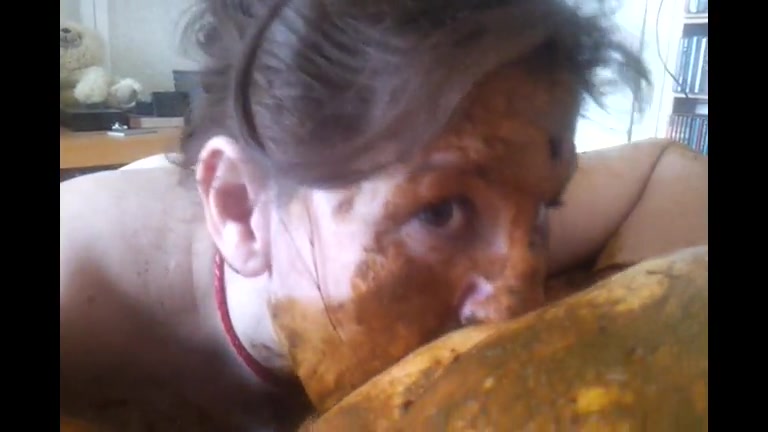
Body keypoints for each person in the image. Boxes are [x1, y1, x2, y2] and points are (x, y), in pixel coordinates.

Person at [59, 0, 707, 430]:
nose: (520, 308)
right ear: (240, 209)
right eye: (442, 212)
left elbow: (668, 170)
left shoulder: (497, 213)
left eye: (545, 208)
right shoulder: (79, 295)